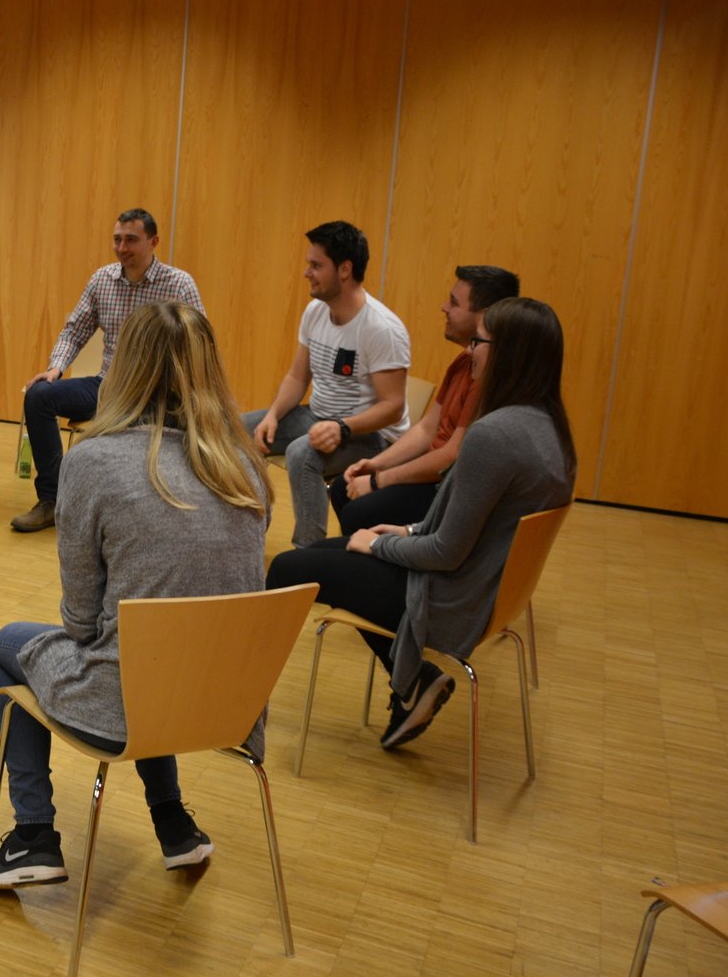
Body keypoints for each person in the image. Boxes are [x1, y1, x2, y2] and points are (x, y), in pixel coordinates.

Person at [0, 301, 271, 889]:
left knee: (9, 645)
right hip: (227, 705)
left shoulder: (93, 461)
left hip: (133, 703)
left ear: (123, 367)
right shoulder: (246, 466)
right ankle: (173, 823)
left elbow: (81, 624)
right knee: (153, 648)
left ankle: (33, 835)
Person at [265, 297, 576, 749]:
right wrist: (405, 531)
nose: (470, 352)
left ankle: (241, 703)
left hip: (449, 600)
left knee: (288, 568)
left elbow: (445, 553)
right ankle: (414, 682)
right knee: (318, 554)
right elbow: (466, 529)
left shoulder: (494, 434)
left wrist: (376, 546)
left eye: (478, 342)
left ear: (509, 353)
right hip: (485, 593)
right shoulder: (550, 428)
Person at [12, 209, 204, 533]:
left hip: (155, 393)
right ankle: (53, 500)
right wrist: (56, 368)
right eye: (117, 239)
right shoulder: (102, 279)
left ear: (153, 242)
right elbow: (74, 331)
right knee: (39, 395)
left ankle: (143, 511)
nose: (122, 248)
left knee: (153, 426)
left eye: (131, 240)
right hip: (107, 387)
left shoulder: (179, 283)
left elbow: (199, 342)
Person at [242, 220, 411, 549]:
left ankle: (307, 553)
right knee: (236, 431)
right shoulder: (315, 311)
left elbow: (393, 408)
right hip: (318, 417)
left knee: (302, 453)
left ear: (344, 270)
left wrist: (342, 427)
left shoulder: (381, 329)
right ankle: (246, 534)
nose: (307, 272)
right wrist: (273, 415)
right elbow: (297, 377)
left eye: (316, 266)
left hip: (369, 435)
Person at [331, 265, 520, 534]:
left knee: (359, 510)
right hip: (431, 474)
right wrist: (377, 464)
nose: (444, 307)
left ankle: (381, 553)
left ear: (485, 315)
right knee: (343, 487)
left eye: (454, 303)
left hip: (447, 487)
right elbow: (426, 429)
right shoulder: (463, 361)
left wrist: (378, 481)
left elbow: (452, 456)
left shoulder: (486, 377)